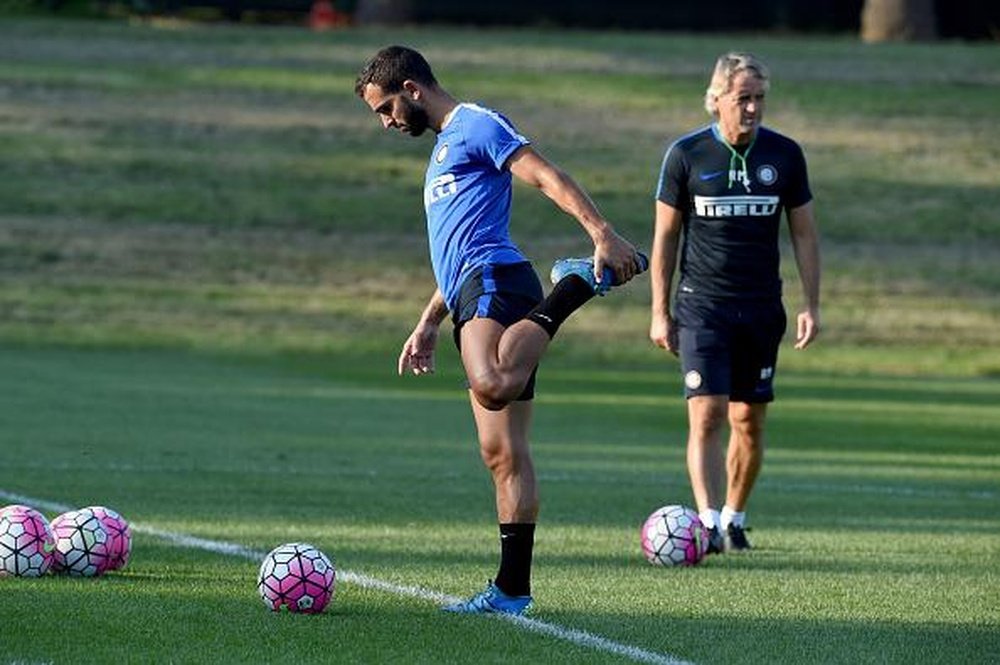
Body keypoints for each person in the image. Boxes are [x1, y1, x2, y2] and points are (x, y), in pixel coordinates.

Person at [355, 45, 646, 614]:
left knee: (492, 383)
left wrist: (601, 232)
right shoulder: (443, 150)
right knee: (501, 453)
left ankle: (574, 285)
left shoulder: (476, 125)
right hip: (468, 290)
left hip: (499, 279)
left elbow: (544, 175)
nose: (386, 122)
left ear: (412, 89)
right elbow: (453, 248)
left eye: (385, 108)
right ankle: (512, 591)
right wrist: (428, 321)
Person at [649, 52, 821, 554]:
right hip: (702, 306)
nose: (752, 108)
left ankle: (734, 518)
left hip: (762, 306)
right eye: (743, 98)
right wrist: (659, 310)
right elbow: (664, 239)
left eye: (759, 99)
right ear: (718, 98)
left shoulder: (785, 155)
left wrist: (812, 304)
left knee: (749, 420)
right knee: (706, 415)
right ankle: (705, 523)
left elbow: (806, 235)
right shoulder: (687, 155)